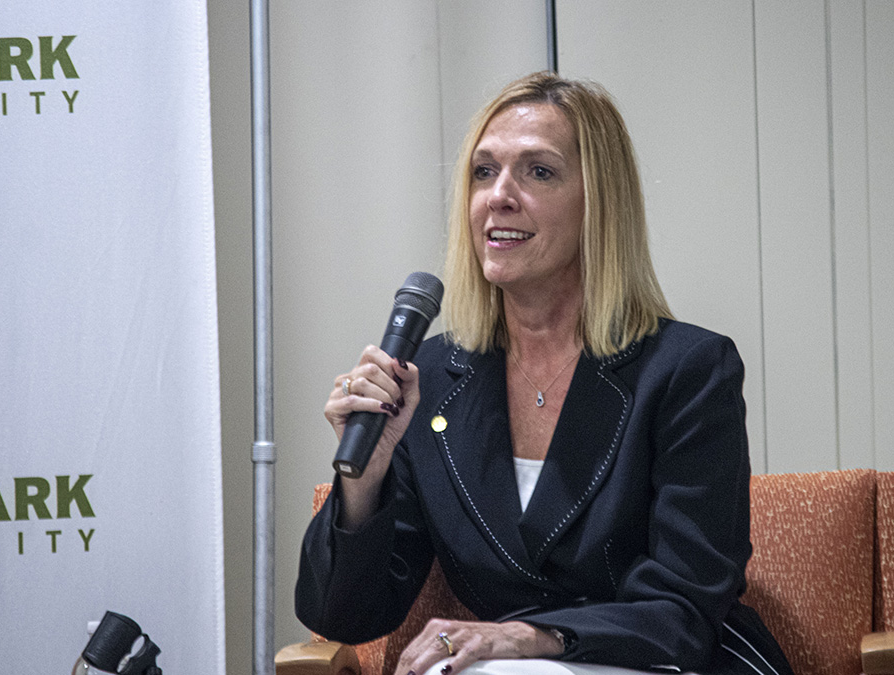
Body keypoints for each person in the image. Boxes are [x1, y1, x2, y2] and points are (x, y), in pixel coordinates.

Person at [296, 71, 792, 675]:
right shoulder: (429, 376)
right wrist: (363, 484)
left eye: (539, 171)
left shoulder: (686, 371)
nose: (499, 195)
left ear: (598, 203)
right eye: (484, 171)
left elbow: (684, 608)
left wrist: (529, 638)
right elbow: (344, 617)